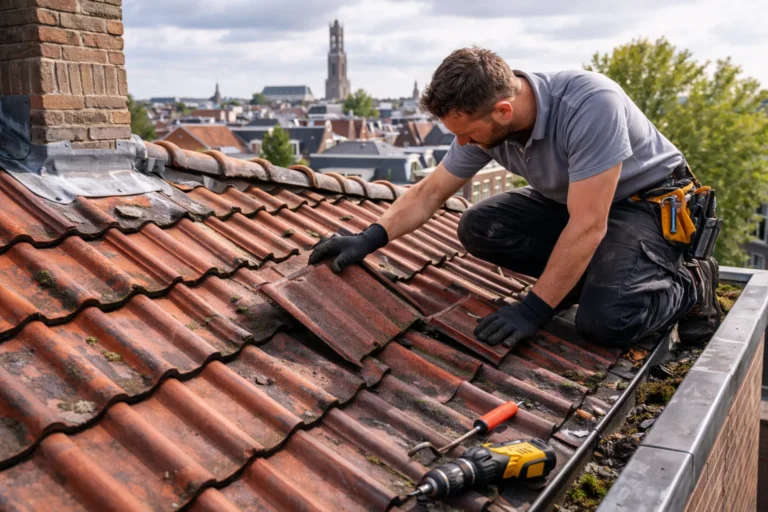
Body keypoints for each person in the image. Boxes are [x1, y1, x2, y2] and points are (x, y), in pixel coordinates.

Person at [309, 47, 721, 349]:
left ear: (504, 111)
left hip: (644, 206)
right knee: (479, 227)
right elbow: (430, 191)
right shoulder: (481, 121)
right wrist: (370, 237)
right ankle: (598, 279)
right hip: (578, 203)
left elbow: (588, 224)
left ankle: (690, 283)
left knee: (606, 324)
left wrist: (534, 309)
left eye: (467, 133)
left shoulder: (591, 105)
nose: (462, 143)